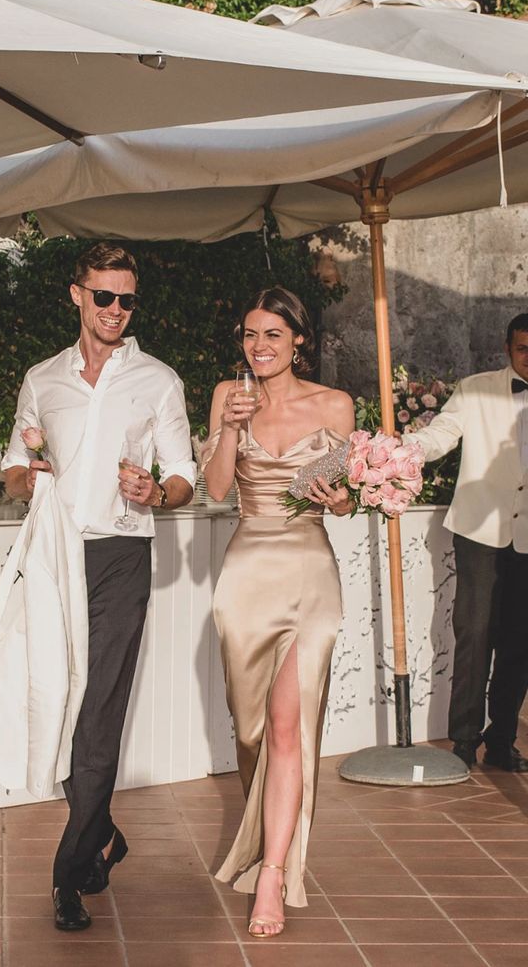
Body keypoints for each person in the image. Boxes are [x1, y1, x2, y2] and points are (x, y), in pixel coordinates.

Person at [1, 242, 196, 932]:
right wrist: (29, 469)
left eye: (127, 299)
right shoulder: (41, 379)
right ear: (77, 295)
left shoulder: (158, 380)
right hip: (54, 557)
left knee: (99, 713)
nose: (117, 310)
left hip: (120, 557)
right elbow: (15, 472)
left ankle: (68, 874)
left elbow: (183, 475)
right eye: (104, 296)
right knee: (55, 702)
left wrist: (156, 491)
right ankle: (104, 835)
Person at [202, 287, 354, 939]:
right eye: (249, 335)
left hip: (310, 570)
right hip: (245, 572)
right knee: (251, 729)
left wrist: (340, 499)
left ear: (300, 340)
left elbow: (344, 499)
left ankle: (273, 871)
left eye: (272, 335)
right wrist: (231, 426)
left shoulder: (336, 406)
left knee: (291, 727)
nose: (258, 347)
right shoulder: (224, 396)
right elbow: (213, 490)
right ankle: (266, 828)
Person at [407, 312, 528, 772]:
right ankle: (463, 741)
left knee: (519, 643)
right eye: (523, 349)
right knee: (474, 635)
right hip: (480, 531)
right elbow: (443, 433)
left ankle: (502, 742)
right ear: (507, 349)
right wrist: (406, 449)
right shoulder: (476, 388)